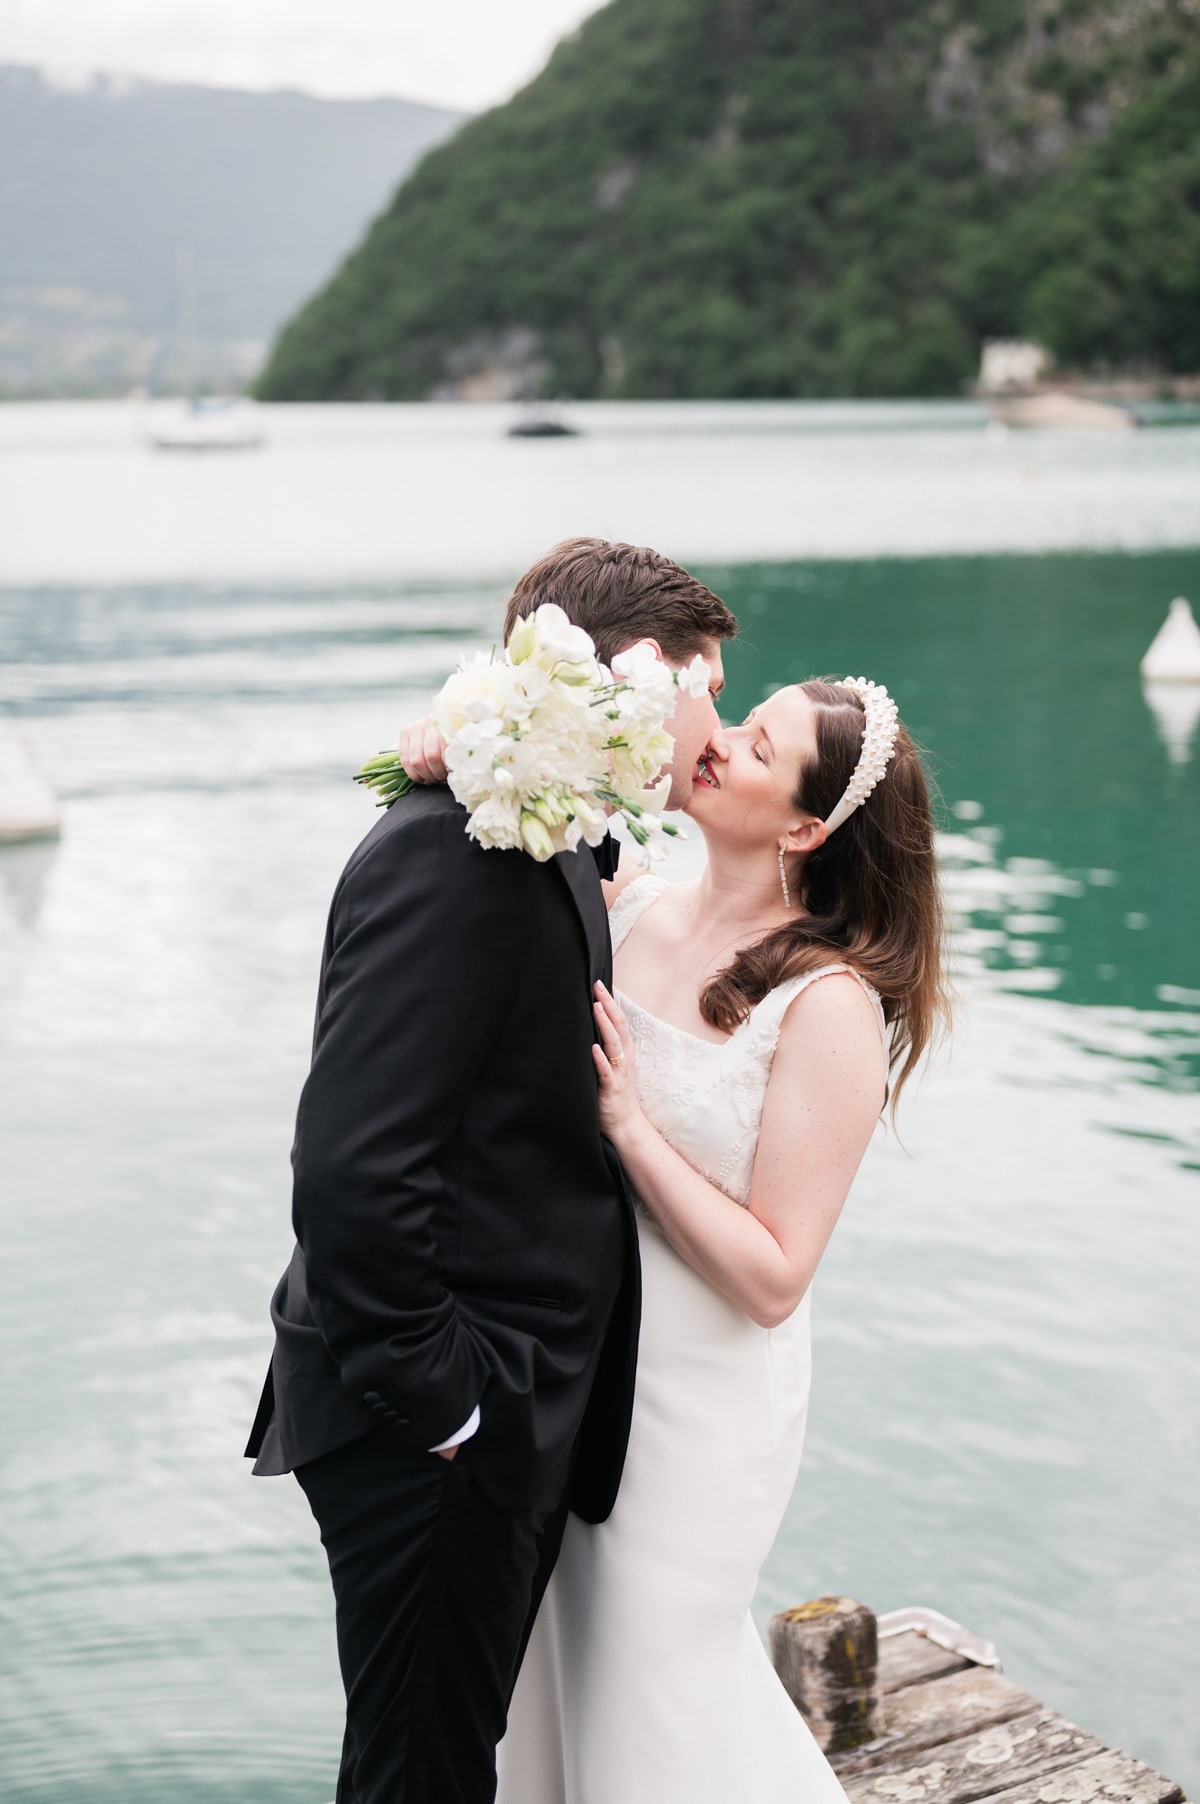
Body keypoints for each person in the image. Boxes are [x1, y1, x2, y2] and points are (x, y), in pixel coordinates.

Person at [244, 537, 737, 1804]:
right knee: (423, 1772)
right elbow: (353, 1169)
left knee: (445, 1755)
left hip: (491, 1412)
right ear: (639, 680)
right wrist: (455, 1405)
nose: (716, 719)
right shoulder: (449, 856)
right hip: (432, 1427)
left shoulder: (542, 825)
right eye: (709, 685)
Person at [400, 672, 946, 1804]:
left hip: (698, 1406)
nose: (721, 743)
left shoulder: (827, 1003)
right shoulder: (633, 908)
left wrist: (633, 1129)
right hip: (575, 1367)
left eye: (757, 744)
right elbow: (525, 803)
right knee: (560, 1664)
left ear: (804, 824)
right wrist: (448, 749)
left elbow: (777, 1275)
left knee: (655, 1679)